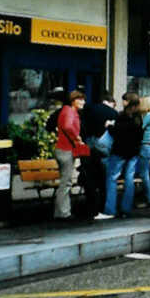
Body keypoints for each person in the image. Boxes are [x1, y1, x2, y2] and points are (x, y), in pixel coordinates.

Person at [96, 93, 142, 220]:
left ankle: (110, 210)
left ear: (127, 102)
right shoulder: (139, 117)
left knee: (111, 179)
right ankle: (126, 210)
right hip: (133, 153)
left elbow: (118, 132)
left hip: (120, 152)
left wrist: (110, 126)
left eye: (124, 100)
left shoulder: (123, 115)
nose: (122, 102)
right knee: (129, 180)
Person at [79, 92, 118, 219]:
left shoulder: (88, 109)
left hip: (88, 146)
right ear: (109, 102)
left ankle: (90, 206)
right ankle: (103, 206)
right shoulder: (113, 113)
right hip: (104, 149)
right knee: (105, 177)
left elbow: (81, 126)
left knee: (89, 176)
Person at [54, 90, 87, 221]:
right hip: (65, 150)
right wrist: (76, 138)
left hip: (64, 149)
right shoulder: (69, 111)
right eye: (80, 99)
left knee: (65, 181)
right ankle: (63, 213)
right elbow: (68, 127)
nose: (83, 102)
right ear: (73, 101)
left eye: (83, 99)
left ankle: (60, 211)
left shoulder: (67, 111)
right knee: (66, 182)